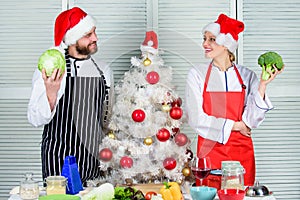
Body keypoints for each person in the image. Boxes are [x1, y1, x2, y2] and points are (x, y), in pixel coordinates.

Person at [185, 13, 283, 188]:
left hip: (241, 151)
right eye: (204, 38)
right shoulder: (197, 75)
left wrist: (262, 85)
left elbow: (251, 121)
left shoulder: (246, 76)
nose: (205, 44)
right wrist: (236, 126)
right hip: (210, 150)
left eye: (212, 39)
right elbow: (196, 118)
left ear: (226, 45)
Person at [27, 7, 114, 185]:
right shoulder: (51, 70)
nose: (95, 38)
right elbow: (35, 118)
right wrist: (51, 94)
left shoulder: (103, 70)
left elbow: (107, 116)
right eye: (88, 35)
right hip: (57, 158)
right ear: (73, 39)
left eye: (94, 32)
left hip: (91, 159)